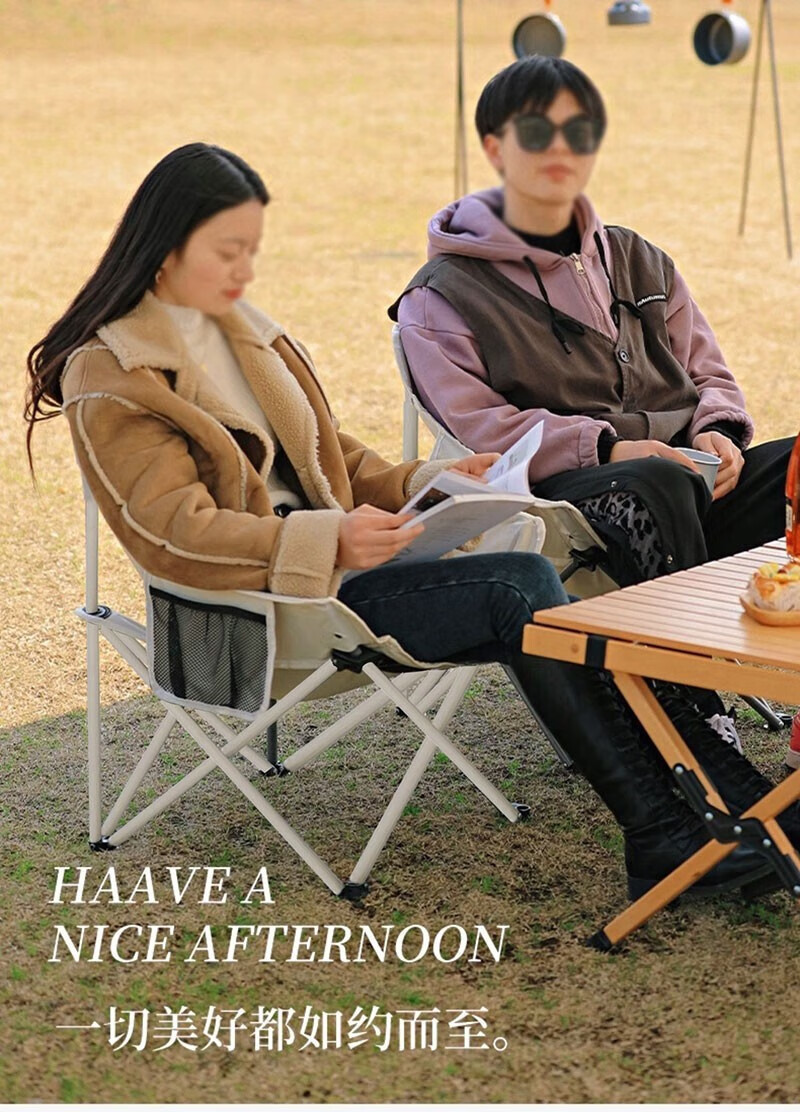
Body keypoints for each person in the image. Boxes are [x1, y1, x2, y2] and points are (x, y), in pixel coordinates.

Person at [25, 143, 792, 900]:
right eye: (228, 252)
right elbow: (174, 535)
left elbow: (333, 457)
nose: (245, 272)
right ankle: (664, 831)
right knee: (521, 586)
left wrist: (429, 481)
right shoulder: (114, 372)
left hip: (348, 569)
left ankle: (717, 797)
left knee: (534, 577)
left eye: (251, 250)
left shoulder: (240, 331)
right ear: (166, 250)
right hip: (259, 611)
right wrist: (326, 538)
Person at [390, 53, 795, 742]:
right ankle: (690, 715)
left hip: (692, 478)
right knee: (654, 481)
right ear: (494, 147)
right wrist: (607, 448)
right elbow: (479, 429)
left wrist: (718, 432)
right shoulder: (442, 296)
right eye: (536, 131)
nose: (561, 149)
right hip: (565, 495)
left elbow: (707, 369)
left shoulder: (639, 258)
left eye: (579, 131)